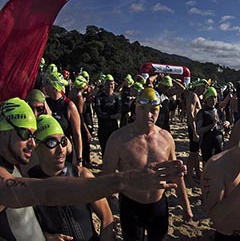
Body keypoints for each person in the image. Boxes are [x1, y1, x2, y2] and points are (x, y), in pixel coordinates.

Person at [0, 97, 185, 240]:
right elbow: (44, 192)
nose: (31, 143)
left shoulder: (15, 170)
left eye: (63, 141)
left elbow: (27, 222)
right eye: (25, 134)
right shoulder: (23, 176)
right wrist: (123, 180)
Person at [102, 88, 193, 241]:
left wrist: (186, 206)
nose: (148, 115)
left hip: (158, 204)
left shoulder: (166, 138)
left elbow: (176, 174)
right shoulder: (118, 139)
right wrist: (106, 216)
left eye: (153, 110)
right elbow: (105, 180)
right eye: (143, 109)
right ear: (135, 108)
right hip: (131, 205)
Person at [28, 114, 115, 241]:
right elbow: (23, 228)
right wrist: (46, 237)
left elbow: (107, 217)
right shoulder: (28, 184)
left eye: (63, 141)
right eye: (52, 143)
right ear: (37, 147)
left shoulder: (82, 176)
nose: (61, 149)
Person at [44, 71, 83, 166]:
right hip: (49, 151)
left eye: (47, 83)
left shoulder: (69, 105)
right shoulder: (45, 103)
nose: (44, 86)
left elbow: (77, 135)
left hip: (65, 151)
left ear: (54, 86)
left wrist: (79, 159)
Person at [196, 86, 230, 163]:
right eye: (211, 98)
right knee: (207, 164)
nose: (213, 100)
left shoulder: (218, 110)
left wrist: (228, 123)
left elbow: (224, 123)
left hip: (219, 141)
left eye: (215, 97)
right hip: (207, 143)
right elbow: (199, 130)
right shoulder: (202, 112)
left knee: (218, 164)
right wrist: (212, 125)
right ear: (206, 99)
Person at [69, 75, 93, 167]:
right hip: (79, 123)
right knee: (83, 142)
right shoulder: (79, 96)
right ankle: (84, 162)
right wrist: (87, 131)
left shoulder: (72, 92)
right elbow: (80, 116)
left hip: (72, 121)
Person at [94, 74, 121, 155]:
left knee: (114, 148)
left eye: (112, 84)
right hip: (103, 127)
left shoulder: (116, 97)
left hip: (113, 127)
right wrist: (111, 116)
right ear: (104, 84)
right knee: (104, 148)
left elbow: (119, 110)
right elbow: (99, 113)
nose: (110, 86)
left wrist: (118, 114)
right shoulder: (99, 97)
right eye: (108, 83)